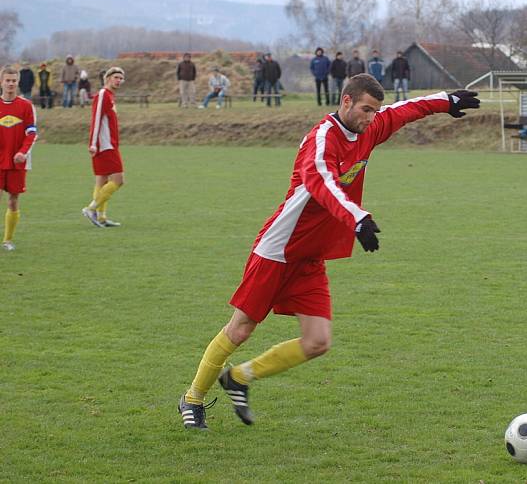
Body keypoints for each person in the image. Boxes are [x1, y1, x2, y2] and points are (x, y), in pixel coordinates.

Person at [177, 75, 480, 430]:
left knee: (318, 342)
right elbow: (322, 183)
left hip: (310, 257)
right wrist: (357, 219)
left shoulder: (371, 126)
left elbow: (406, 109)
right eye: (366, 109)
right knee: (241, 329)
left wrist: (447, 100)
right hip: (279, 250)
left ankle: (240, 377)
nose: (371, 117)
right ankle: (193, 398)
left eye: (375, 111)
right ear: (346, 101)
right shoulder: (321, 139)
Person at [81, 67, 126, 228]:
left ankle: (101, 217)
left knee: (101, 181)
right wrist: (93, 143)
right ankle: (90, 209)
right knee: (119, 180)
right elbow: (96, 119)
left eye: (121, 78)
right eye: (116, 77)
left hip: (108, 144)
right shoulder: (103, 95)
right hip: (104, 146)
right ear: (107, 78)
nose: (119, 81)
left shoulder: (110, 97)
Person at [0, 66, 38, 251]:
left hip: (17, 161)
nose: (10, 84)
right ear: (1, 82)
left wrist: (23, 152)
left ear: (18, 82)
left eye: (14, 81)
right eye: (7, 80)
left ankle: (7, 240)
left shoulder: (26, 106)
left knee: (13, 199)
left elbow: (32, 132)